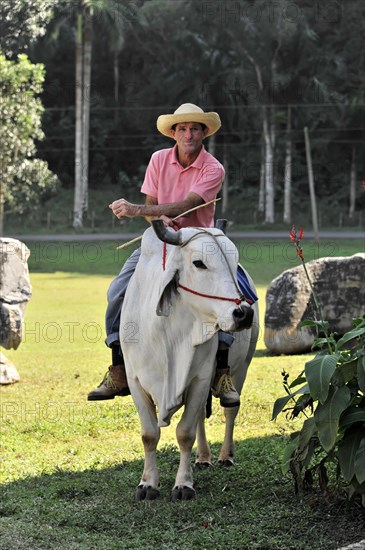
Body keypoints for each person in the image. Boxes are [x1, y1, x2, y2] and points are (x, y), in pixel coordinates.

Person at [87, 103, 242, 407]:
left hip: (200, 242)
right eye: (182, 128)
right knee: (117, 291)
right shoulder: (158, 159)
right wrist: (155, 219)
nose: (188, 134)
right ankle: (118, 367)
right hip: (162, 239)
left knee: (234, 293)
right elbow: (154, 205)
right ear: (173, 133)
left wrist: (137, 210)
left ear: (204, 133)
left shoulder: (213, 167)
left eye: (195, 128)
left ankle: (222, 372)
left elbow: (184, 205)